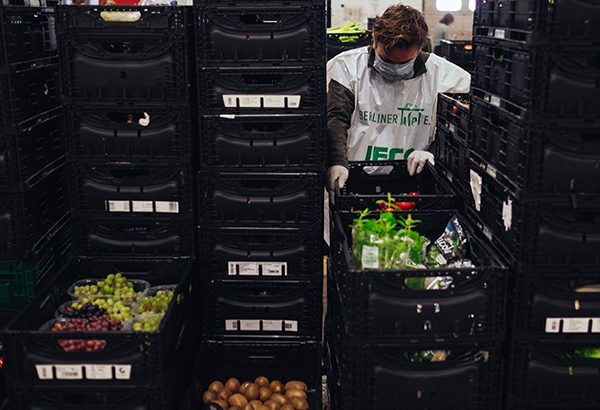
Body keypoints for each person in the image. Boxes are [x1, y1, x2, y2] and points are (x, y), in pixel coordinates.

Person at [326, 4, 470, 189]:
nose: (395, 68)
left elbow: (464, 127)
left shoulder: (444, 75)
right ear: (374, 39)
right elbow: (336, 118)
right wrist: (337, 161)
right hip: (355, 178)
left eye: (404, 63)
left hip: (415, 178)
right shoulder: (347, 67)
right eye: (386, 59)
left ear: (419, 48)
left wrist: (435, 151)